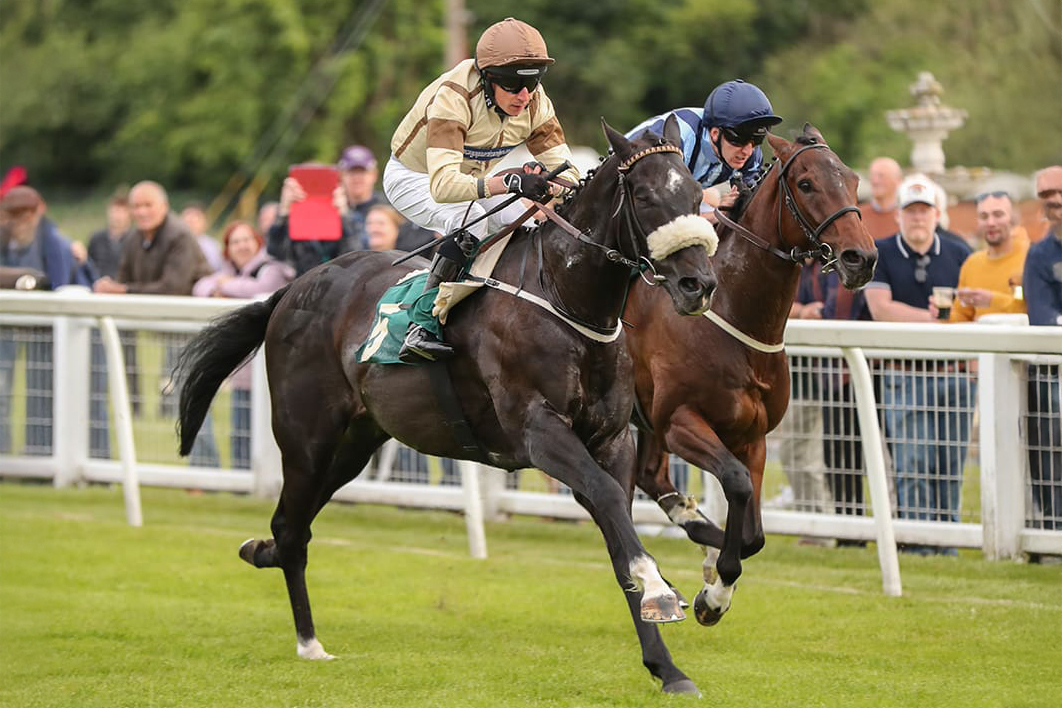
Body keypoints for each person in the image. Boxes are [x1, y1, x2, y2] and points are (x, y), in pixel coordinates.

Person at [384, 16, 580, 362]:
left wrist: (550, 184)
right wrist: (512, 180)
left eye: (533, 84)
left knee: (529, 219)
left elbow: (572, 176)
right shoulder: (454, 97)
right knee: (471, 218)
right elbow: (444, 186)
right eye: (513, 86)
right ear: (489, 79)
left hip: (472, 182)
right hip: (415, 178)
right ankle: (422, 323)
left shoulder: (534, 101)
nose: (524, 96)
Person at [864, 174, 973, 555]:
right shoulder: (882, 251)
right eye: (910, 211)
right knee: (911, 463)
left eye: (924, 211)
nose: (917, 218)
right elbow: (881, 309)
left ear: (937, 214)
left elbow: (971, 308)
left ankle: (950, 544)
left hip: (954, 376)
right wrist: (934, 320)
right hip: (902, 373)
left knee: (950, 464)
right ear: (899, 216)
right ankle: (916, 543)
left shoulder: (960, 252)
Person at [93, 180, 218, 465]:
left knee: (193, 397)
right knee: (182, 398)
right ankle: (203, 469)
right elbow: (124, 279)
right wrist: (110, 286)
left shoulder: (180, 235)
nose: (142, 211)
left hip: (193, 325)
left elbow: (174, 286)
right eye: (136, 206)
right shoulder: (134, 239)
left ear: (163, 206)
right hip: (163, 325)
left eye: (148, 205)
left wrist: (122, 290)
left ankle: (207, 469)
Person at [193, 221, 294, 468]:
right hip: (242, 371)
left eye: (246, 240)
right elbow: (200, 286)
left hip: (271, 368)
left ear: (257, 242)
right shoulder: (228, 272)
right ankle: (241, 477)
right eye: (235, 242)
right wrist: (221, 285)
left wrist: (224, 287)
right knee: (240, 429)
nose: (242, 246)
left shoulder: (271, 268)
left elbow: (264, 289)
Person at [0, 186, 93, 454]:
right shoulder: (6, 239)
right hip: (11, 326)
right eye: (13, 215)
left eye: (23, 214)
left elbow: (61, 287)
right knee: (3, 393)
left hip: (48, 330)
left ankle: (40, 455)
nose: (18, 221)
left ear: (36, 212)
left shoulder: (56, 243)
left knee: (42, 395)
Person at [626, 79, 783, 217]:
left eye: (757, 141)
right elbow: (656, 211)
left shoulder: (750, 155)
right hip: (621, 194)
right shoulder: (679, 138)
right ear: (715, 133)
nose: (747, 151)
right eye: (739, 141)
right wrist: (716, 215)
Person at [775, 262, 834, 533]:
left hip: (829, 379)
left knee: (808, 455)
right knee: (795, 454)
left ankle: (820, 525)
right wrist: (801, 310)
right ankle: (815, 524)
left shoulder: (827, 264)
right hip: (799, 379)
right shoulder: (785, 259)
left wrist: (800, 311)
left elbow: (827, 311)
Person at [266, 144, 384, 277]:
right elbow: (275, 251)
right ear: (341, 175)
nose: (357, 177)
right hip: (306, 285)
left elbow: (357, 254)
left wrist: (344, 215)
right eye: (351, 172)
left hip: (343, 283)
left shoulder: (374, 210)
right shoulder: (299, 217)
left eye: (362, 171)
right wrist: (284, 210)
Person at [1022, 166, 1062, 548]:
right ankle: (1053, 535)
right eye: (1045, 194)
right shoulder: (1039, 256)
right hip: (1053, 372)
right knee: (1050, 452)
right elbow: (1043, 317)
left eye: (1058, 190)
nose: (1053, 199)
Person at [950, 191, 1028, 322]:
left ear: (1013, 219)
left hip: (1020, 341)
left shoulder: (1030, 259)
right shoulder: (972, 264)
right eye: (984, 216)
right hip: (981, 341)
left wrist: (992, 300)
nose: (990, 222)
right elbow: (962, 315)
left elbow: (1032, 309)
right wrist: (943, 314)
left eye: (998, 215)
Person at [859, 157, 904, 239]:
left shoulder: (907, 216)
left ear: (898, 180)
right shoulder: (858, 216)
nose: (875, 181)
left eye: (881, 176)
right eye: (872, 175)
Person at [180, 202, 224, 273]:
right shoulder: (171, 243)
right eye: (188, 219)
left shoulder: (213, 246)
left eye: (196, 218)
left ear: (205, 222)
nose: (191, 221)